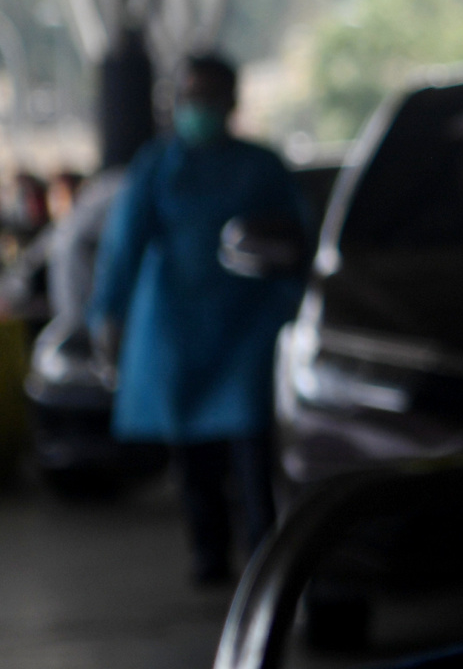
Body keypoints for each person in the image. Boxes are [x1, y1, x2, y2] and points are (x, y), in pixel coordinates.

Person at [89, 55, 307, 585]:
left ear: (231, 102)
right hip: (179, 328)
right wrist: (107, 317)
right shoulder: (157, 165)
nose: (198, 108)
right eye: (190, 97)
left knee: (253, 448)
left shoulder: (263, 167)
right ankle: (209, 555)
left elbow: (300, 240)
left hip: (250, 329)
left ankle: (265, 559)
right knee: (194, 454)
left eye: (209, 97)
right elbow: (124, 247)